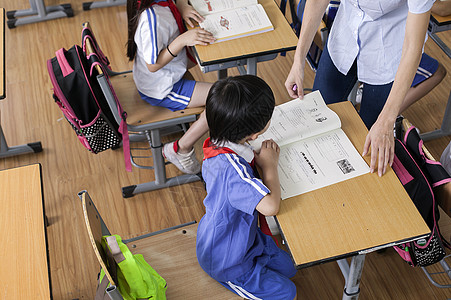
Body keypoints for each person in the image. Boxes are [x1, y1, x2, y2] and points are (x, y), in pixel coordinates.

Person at [285, 0, 435, 177]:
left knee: (366, 144)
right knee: (316, 116)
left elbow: (413, 48)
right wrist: (298, 60)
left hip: (388, 48)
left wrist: (387, 120)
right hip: (345, 35)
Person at [196, 75, 297, 300]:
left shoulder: (220, 141)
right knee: (288, 293)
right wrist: (270, 166)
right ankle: (237, 280)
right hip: (227, 259)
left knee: (291, 269)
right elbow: (271, 207)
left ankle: (258, 262)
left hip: (245, 237)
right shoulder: (231, 171)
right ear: (253, 134)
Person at [126, 0, 215, 174]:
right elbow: (153, 65)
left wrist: (181, 6)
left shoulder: (159, 7)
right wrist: (182, 40)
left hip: (171, 72)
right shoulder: (152, 17)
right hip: (162, 87)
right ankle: (180, 148)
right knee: (223, 98)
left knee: (226, 93)